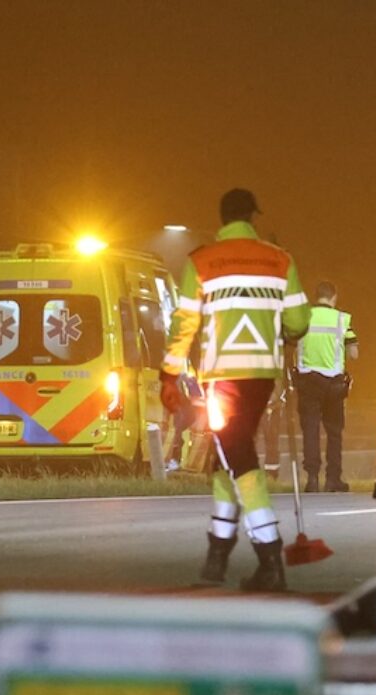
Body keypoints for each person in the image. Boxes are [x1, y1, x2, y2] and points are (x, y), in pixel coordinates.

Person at [161, 188, 310, 590]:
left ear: (222, 217)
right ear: (253, 217)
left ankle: (270, 554)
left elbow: (185, 325)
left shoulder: (202, 261)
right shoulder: (280, 259)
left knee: (236, 453)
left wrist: (169, 373)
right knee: (227, 453)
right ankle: (218, 556)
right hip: (262, 375)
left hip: (222, 375)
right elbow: (298, 321)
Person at [293, 280, 357, 492]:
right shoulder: (342, 319)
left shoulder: (303, 318)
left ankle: (312, 478)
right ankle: (333, 479)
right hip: (334, 384)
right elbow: (354, 353)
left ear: (316, 296)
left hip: (308, 381)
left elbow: (290, 342)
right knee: (334, 432)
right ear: (334, 297)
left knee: (310, 430)